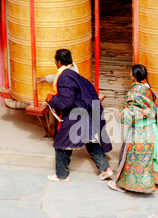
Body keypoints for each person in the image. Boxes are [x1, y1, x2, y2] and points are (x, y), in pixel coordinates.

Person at [40, 49, 113, 181]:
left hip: (76, 116)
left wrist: (51, 99)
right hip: (86, 113)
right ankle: (105, 168)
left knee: (61, 143)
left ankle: (62, 175)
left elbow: (66, 102)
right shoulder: (72, 73)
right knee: (89, 140)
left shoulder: (64, 77)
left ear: (59, 62)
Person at [108, 64, 158, 194]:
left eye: (131, 72)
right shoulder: (149, 90)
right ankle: (157, 185)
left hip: (140, 131)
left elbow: (132, 113)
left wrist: (117, 113)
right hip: (152, 129)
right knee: (152, 157)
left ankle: (124, 185)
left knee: (133, 157)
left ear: (134, 76)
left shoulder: (134, 92)